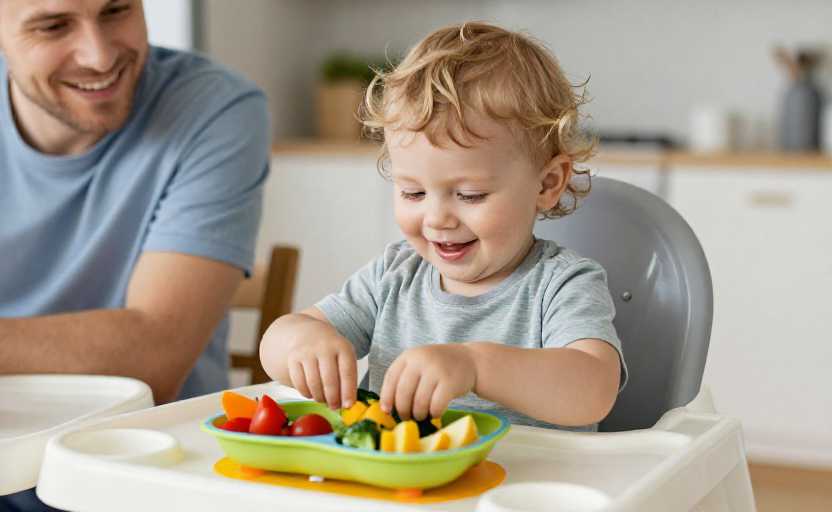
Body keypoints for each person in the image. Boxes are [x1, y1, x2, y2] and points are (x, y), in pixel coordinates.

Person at [260, 22, 627, 431]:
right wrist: (301, 342)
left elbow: (593, 389)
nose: (436, 219)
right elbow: (275, 344)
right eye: (413, 193)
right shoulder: (394, 276)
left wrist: (475, 365)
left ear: (547, 183)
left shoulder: (561, 284)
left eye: (469, 195)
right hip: (393, 489)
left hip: (517, 491)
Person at [0, 0, 268, 509]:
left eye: (117, 10)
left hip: (143, 488)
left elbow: (156, 354)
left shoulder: (216, 108)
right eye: (53, 25)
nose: (99, 57)